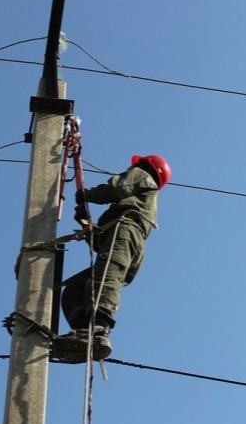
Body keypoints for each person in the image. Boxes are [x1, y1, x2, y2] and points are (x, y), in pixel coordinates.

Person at [54, 154, 171, 361]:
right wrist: (84, 220)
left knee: (105, 278)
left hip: (125, 233)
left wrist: (86, 194)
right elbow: (98, 242)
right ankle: (82, 334)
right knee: (77, 288)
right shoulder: (134, 205)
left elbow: (117, 189)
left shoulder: (143, 175)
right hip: (127, 240)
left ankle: (98, 330)